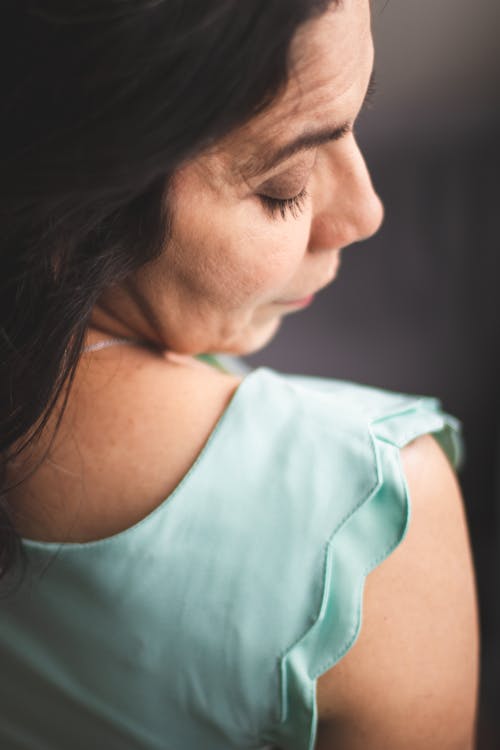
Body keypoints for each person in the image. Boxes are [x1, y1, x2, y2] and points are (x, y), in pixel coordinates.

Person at [0, 1, 479, 748]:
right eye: (284, 184)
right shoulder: (368, 521)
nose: (365, 211)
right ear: (73, 197)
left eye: (356, 121)